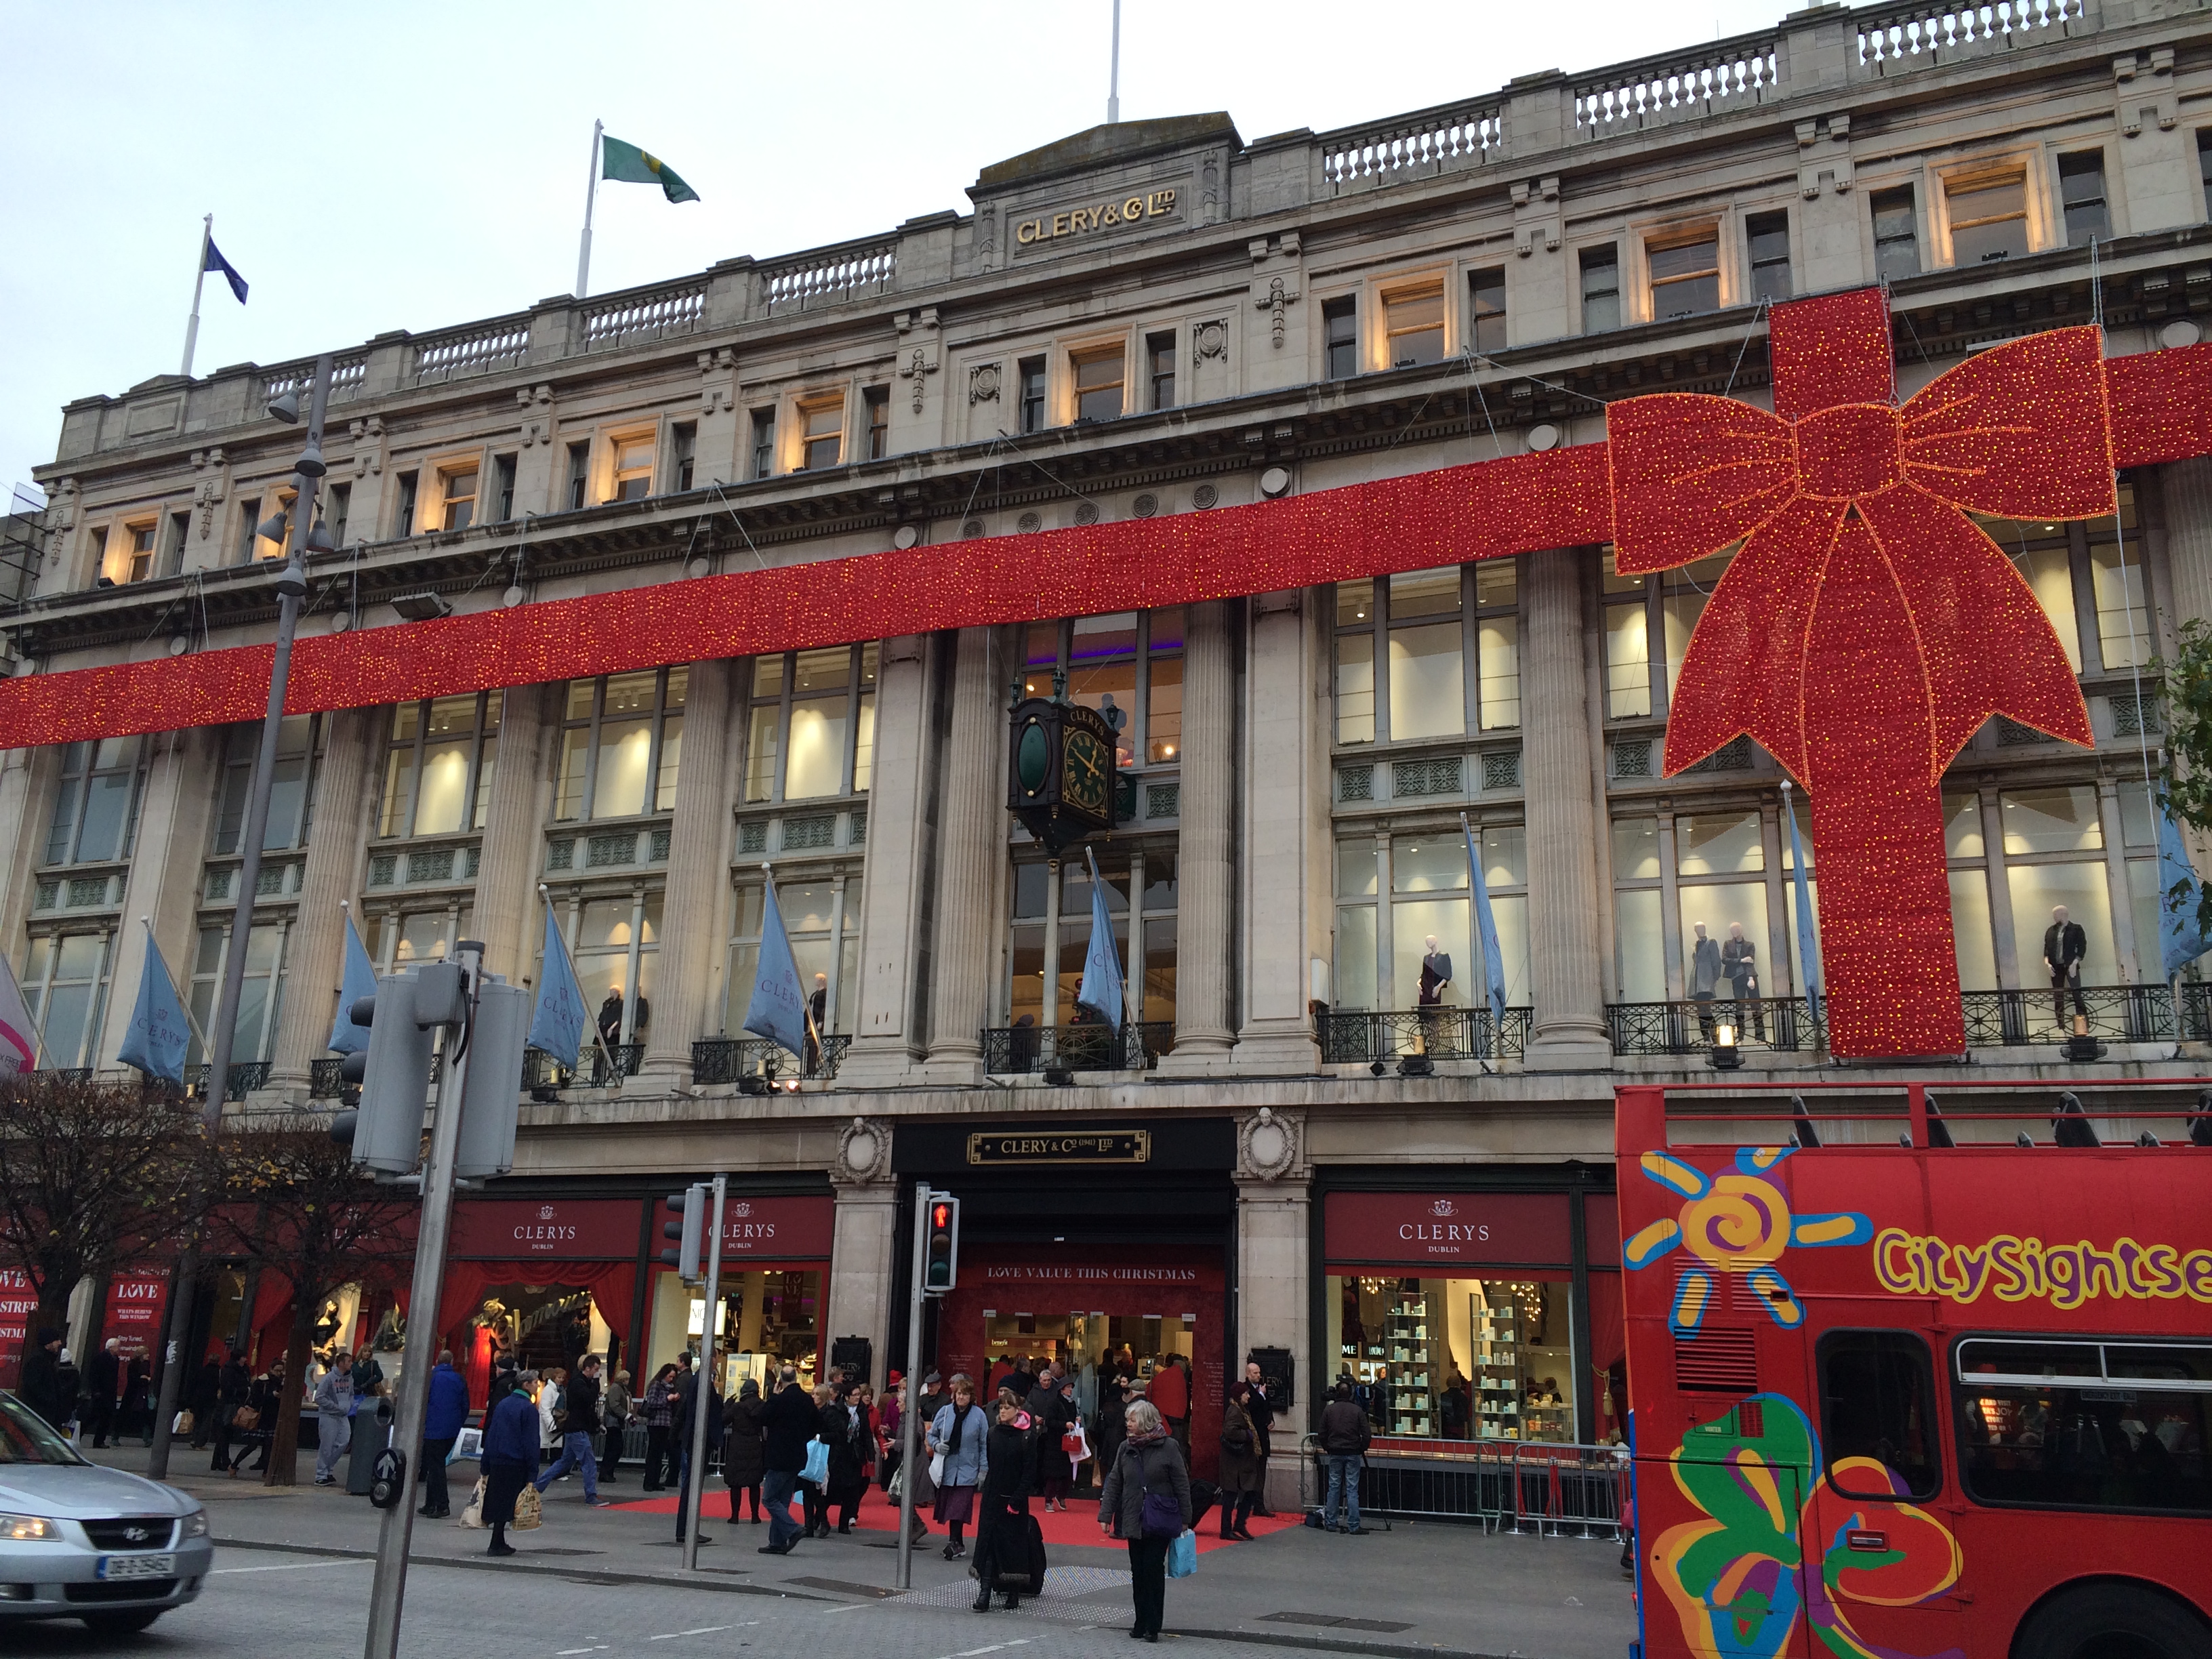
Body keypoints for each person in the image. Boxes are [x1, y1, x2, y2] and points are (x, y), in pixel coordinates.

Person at [1099, 1397, 1191, 1644]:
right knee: (1138, 1571)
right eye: (1128, 1419)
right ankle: (1140, 1621)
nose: (1128, 1424)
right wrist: (1106, 1515)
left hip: (1159, 1516)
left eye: (1132, 1419)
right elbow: (1114, 1482)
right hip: (1133, 1516)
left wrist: (1186, 1517)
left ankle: (1153, 1624)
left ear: (1147, 1422)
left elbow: (1182, 1483)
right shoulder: (1125, 1448)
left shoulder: (1169, 1447)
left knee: (1152, 1568)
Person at [972, 1393, 1040, 1613]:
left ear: (1017, 1410)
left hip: (1014, 1499)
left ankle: (1013, 1591)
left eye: (1007, 1408)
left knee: (1012, 1546)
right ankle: (985, 1593)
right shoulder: (993, 1434)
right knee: (989, 1543)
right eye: (1001, 1407)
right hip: (992, 1496)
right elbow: (991, 1463)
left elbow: (1029, 1473)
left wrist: (1017, 1500)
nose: (1002, 1411)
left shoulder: (1027, 1437)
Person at [535, 1353, 611, 1506]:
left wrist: (597, 1424)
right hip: (577, 1429)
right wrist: (596, 1382)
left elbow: (588, 1408)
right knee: (588, 1462)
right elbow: (589, 1400)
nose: (597, 1373)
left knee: (564, 1462)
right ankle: (590, 1496)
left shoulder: (579, 1382)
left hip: (574, 1428)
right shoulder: (578, 1383)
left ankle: (537, 1487)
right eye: (595, 1369)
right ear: (587, 1368)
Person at [928, 1373, 989, 1559]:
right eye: (959, 1394)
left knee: (959, 1507)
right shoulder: (945, 1412)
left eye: (966, 1394)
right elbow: (932, 1435)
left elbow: (984, 1443)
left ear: (972, 1397)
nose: (962, 1397)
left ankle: (953, 1542)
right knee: (949, 1507)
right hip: (947, 1468)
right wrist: (937, 1445)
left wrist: (983, 1470)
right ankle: (957, 1543)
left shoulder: (979, 1415)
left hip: (968, 1468)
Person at [481, 1368, 541, 1557]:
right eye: (535, 1382)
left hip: (498, 1459)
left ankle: (497, 1540)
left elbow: (493, 1433)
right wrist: (533, 1470)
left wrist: (486, 1462)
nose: (537, 1385)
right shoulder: (528, 1409)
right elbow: (531, 1441)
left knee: (500, 1500)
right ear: (526, 1385)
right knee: (509, 1502)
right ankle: (496, 1543)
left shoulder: (503, 1404)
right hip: (516, 1461)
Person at [759, 1362, 816, 1555]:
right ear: (797, 1378)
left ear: (781, 1380)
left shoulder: (779, 1400)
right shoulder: (806, 1400)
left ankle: (793, 1529)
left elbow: (763, 1417)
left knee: (769, 1499)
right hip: (797, 1455)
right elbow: (817, 1424)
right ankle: (777, 1542)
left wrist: (773, 1397)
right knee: (782, 1500)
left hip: (778, 1455)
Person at [420, 1349, 470, 1519]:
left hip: (433, 1428)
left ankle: (441, 1505)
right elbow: (465, 1405)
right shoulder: (459, 1379)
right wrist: (458, 1424)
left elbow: (423, 1402)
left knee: (436, 1467)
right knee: (436, 1464)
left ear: (437, 1360)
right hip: (451, 1429)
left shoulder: (431, 1378)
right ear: (451, 1361)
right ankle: (430, 1503)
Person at [1319, 1380, 1372, 1534]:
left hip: (1336, 1451)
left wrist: (1328, 1447)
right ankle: (1354, 1525)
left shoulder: (1329, 1410)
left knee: (1334, 1487)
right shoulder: (1357, 1410)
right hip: (1352, 1452)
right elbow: (1367, 1433)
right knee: (1352, 1489)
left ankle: (1331, 1522)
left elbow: (1322, 1433)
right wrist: (1361, 1447)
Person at [821, 1381, 866, 1534]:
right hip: (838, 1455)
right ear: (846, 1397)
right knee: (832, 1489)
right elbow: (836, 1432)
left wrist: (870, 1452)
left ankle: (844, 1524)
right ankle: (818, 1517)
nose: (858, 1398)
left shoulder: (861, 1411)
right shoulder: (835, 1411)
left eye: (859, 1394)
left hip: (854, 1455)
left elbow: (865, 1432)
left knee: (852, 1492)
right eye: (855, 1395)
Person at [1025, 1363, 1071, 1511]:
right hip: (1043, 1433)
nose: (1046, 1383)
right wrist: (1035, 1417)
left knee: (1063, 1472)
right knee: (1045, 1466)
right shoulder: (1035, 1392)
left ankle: (1057, 1495)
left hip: (1059, 1439)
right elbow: (1028, 1406)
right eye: (1044, 1381)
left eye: (1049, 1380)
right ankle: (1043, 1493)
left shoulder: (1064, 1400)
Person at [1217, 1384, 1261, 1540]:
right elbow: (1230, 1431)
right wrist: (1247, 1435)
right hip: (1234, 1462)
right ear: (1239, 1395)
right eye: (1246, 1394)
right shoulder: (1235, 1411)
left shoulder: (1241, 1409)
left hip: (1241, 1462)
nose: (1248, 1396)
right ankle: (1227, 1529)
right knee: (1231, 1495)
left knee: (1249, 1492)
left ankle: (1239, 1525)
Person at [724, 1376, 766, 1522]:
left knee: (736, 1483)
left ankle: (735, 1515)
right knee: (754, 1482)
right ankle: (755, 1515)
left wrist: (727, 1404)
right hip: (755, 1443)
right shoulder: (762, 1406)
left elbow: (724, 1419)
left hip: (738, 1444)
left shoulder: (737, 1407)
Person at [312, 1349, 354, 1486]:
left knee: (344, 1441)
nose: (351, 1364)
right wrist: (335, 1406)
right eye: (349, 1361)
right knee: (327, 1445)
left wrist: (349, 1405)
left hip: (343, 1416)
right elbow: (319, 1397)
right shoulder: (329, 1378)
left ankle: (328, 1470)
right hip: (328, 1415)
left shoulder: (350, 1378)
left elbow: (351, 1394)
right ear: (341, 1363)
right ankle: (321, 1474)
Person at [1244, 1359, 1279, 1515]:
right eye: (1255, 1373)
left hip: (1263, 1436)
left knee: (1261, 1472)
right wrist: (1259, 1395)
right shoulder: (1245, 1390)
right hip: (1252, 1437)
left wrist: (1271, 1420)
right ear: (1248, 1374)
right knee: (1251, 1472)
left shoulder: (1261, 1389)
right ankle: (1247, 1503)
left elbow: (1267, 1407)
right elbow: (1249, 1408)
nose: (1258, 1375)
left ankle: (1259, 1505)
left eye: (1259, 1373)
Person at [2046, 903, 2088, 1030]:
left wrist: (2075, 962)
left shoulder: (2076, 929)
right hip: (2056, 967)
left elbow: (2082, 947)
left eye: (2056, 915)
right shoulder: (2051, 931)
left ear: (2063, 914)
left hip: (2071, 965)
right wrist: (2047, 964)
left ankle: (2082, 1028)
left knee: (2077, 994)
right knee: (2058, 997)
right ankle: (2061, 1028)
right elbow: (2047, 949)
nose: (2054, 917)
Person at [209, 1347, 250, 1473]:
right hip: (229, 1404)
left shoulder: (242, 1370)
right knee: (225, 1432)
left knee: (225, 1434)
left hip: (234, 1403)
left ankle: (217, 1461)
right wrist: (244, 1390)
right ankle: (224, 1461)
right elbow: (227, 1388)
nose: (246, 1359)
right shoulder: (230, 1370)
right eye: (244, 1357)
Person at [18, 1329, 66, 1434]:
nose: (60, 1343)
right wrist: (50, 1400)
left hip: (45, 1415)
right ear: (48, 1343)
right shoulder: (38, 1360)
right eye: (56, 1340)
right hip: (40, 1415)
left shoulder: (47, 1359)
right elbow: (33, 1386)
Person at [642, 1361, 679, 1490]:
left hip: (665, 1423)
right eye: (670, 1376)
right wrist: (667, 1399)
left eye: (673, 1377)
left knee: (659, 1455)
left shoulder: (669, 1387)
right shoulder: (656, 1385)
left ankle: (655, 1481)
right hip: (655, 1423)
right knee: (653, 1454)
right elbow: (651, 1402)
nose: (671, 1379)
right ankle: (649, 1482)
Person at [1148, 1352, 1190, 1453]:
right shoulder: (1184, 1378)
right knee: (1180, 1445)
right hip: (1182, 1418)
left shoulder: (1168, 1380)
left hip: (1168, 1420)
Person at [83, 1338, 121, 1448]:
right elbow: (94, 1375)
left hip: (110, 1394)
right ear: (111, 1347)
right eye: (118, 1346)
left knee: (106, 1419)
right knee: (92, 1417)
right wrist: (96, 1391)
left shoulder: (115, 1359)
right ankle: (78, 1435)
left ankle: (99, 1441)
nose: (119, 1349)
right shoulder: (101, 1358)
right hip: (101, 1393)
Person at [600, 1366, 632, 1484]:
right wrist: (626, 1415)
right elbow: (614, 1405)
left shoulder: (619, 1388)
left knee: (613, 1448)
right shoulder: (616, 1389)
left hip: (615, 1422)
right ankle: (606, 1472)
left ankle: (608, 1472)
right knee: (614, 1448)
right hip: (613, 1422)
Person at [187, 1354, 222, 1449]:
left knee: (198, 1419)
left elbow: (193, 1384)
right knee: (206, 1421)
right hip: (210, 1399)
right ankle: (200, 1443)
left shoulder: (201, 1370)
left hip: (198, 1399)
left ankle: (194, 1438)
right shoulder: (218, 1373)